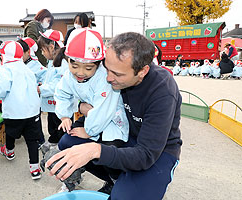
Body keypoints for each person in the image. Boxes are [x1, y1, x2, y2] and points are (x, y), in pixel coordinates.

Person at [46, 32, 182, 199]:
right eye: (106, 69)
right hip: (120, 130)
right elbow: (81, 94)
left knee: (123, 196)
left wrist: (96, 150)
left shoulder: (162, 90)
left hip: (154, 151)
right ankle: (116, 180)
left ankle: (127, 184)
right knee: (69, 142)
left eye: (117, 74)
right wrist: (79, 107)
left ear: (142, 71)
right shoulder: (113, 73)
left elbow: (146, 154)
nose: (108, 78)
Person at [54, 28, 129, 190]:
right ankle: (74, 176)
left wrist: (89, 131)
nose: (80, 73)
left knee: (110, 151)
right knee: (69, 141)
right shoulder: (69, 76)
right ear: (67, 60)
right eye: (74, 66)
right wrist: (65, 116)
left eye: (88, 68)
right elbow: (61, 94)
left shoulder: (104, 78)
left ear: (98, 64)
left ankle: (116, 181)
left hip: (112, 119)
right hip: (92, 117)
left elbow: (104, 110)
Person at [0, 41, 43, 180]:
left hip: (14, 112)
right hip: (32, 111)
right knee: (32, 140)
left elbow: (1, 90)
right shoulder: (27, 69)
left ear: (4, 55)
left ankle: (9, 152)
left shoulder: (4, 69)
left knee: (10, 133)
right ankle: (34, 168)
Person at [37, 29, 75, 149]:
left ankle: (60, 148)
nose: (42, 53)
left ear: (51, 47)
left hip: (60, 105)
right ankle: (54, 143)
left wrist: (41, 89)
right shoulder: (52, 62)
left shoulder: (63, 63)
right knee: (53, 126)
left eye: (43, 49)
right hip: (53, 105)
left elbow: (58, 85)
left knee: (61, 128)